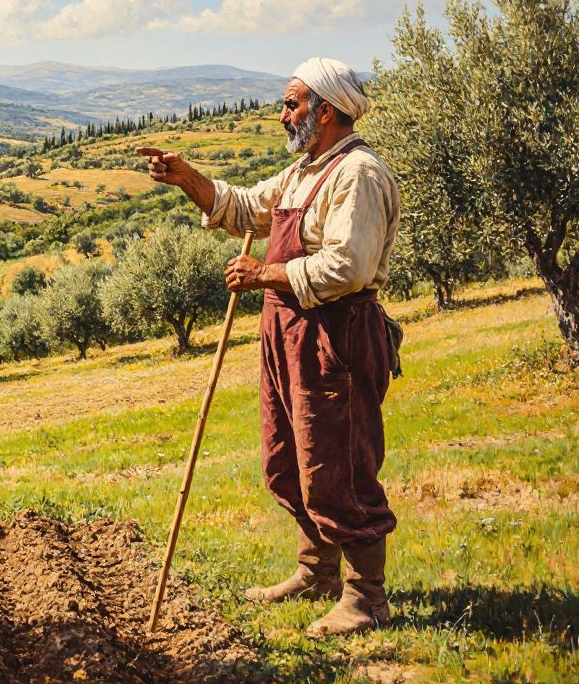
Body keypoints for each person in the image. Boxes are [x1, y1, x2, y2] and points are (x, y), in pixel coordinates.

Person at [139, 57, 401, 636]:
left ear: (326, 111)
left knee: (338, 465)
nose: (283, 114)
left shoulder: (358, 174)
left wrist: (264, 276)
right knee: (289, 458)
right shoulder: (304, 171)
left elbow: (348, 266)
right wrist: (187, 177)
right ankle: (317, 571)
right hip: (288, 335)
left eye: (292, 103)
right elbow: (241, 209)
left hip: (335, 338)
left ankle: (365, 598)